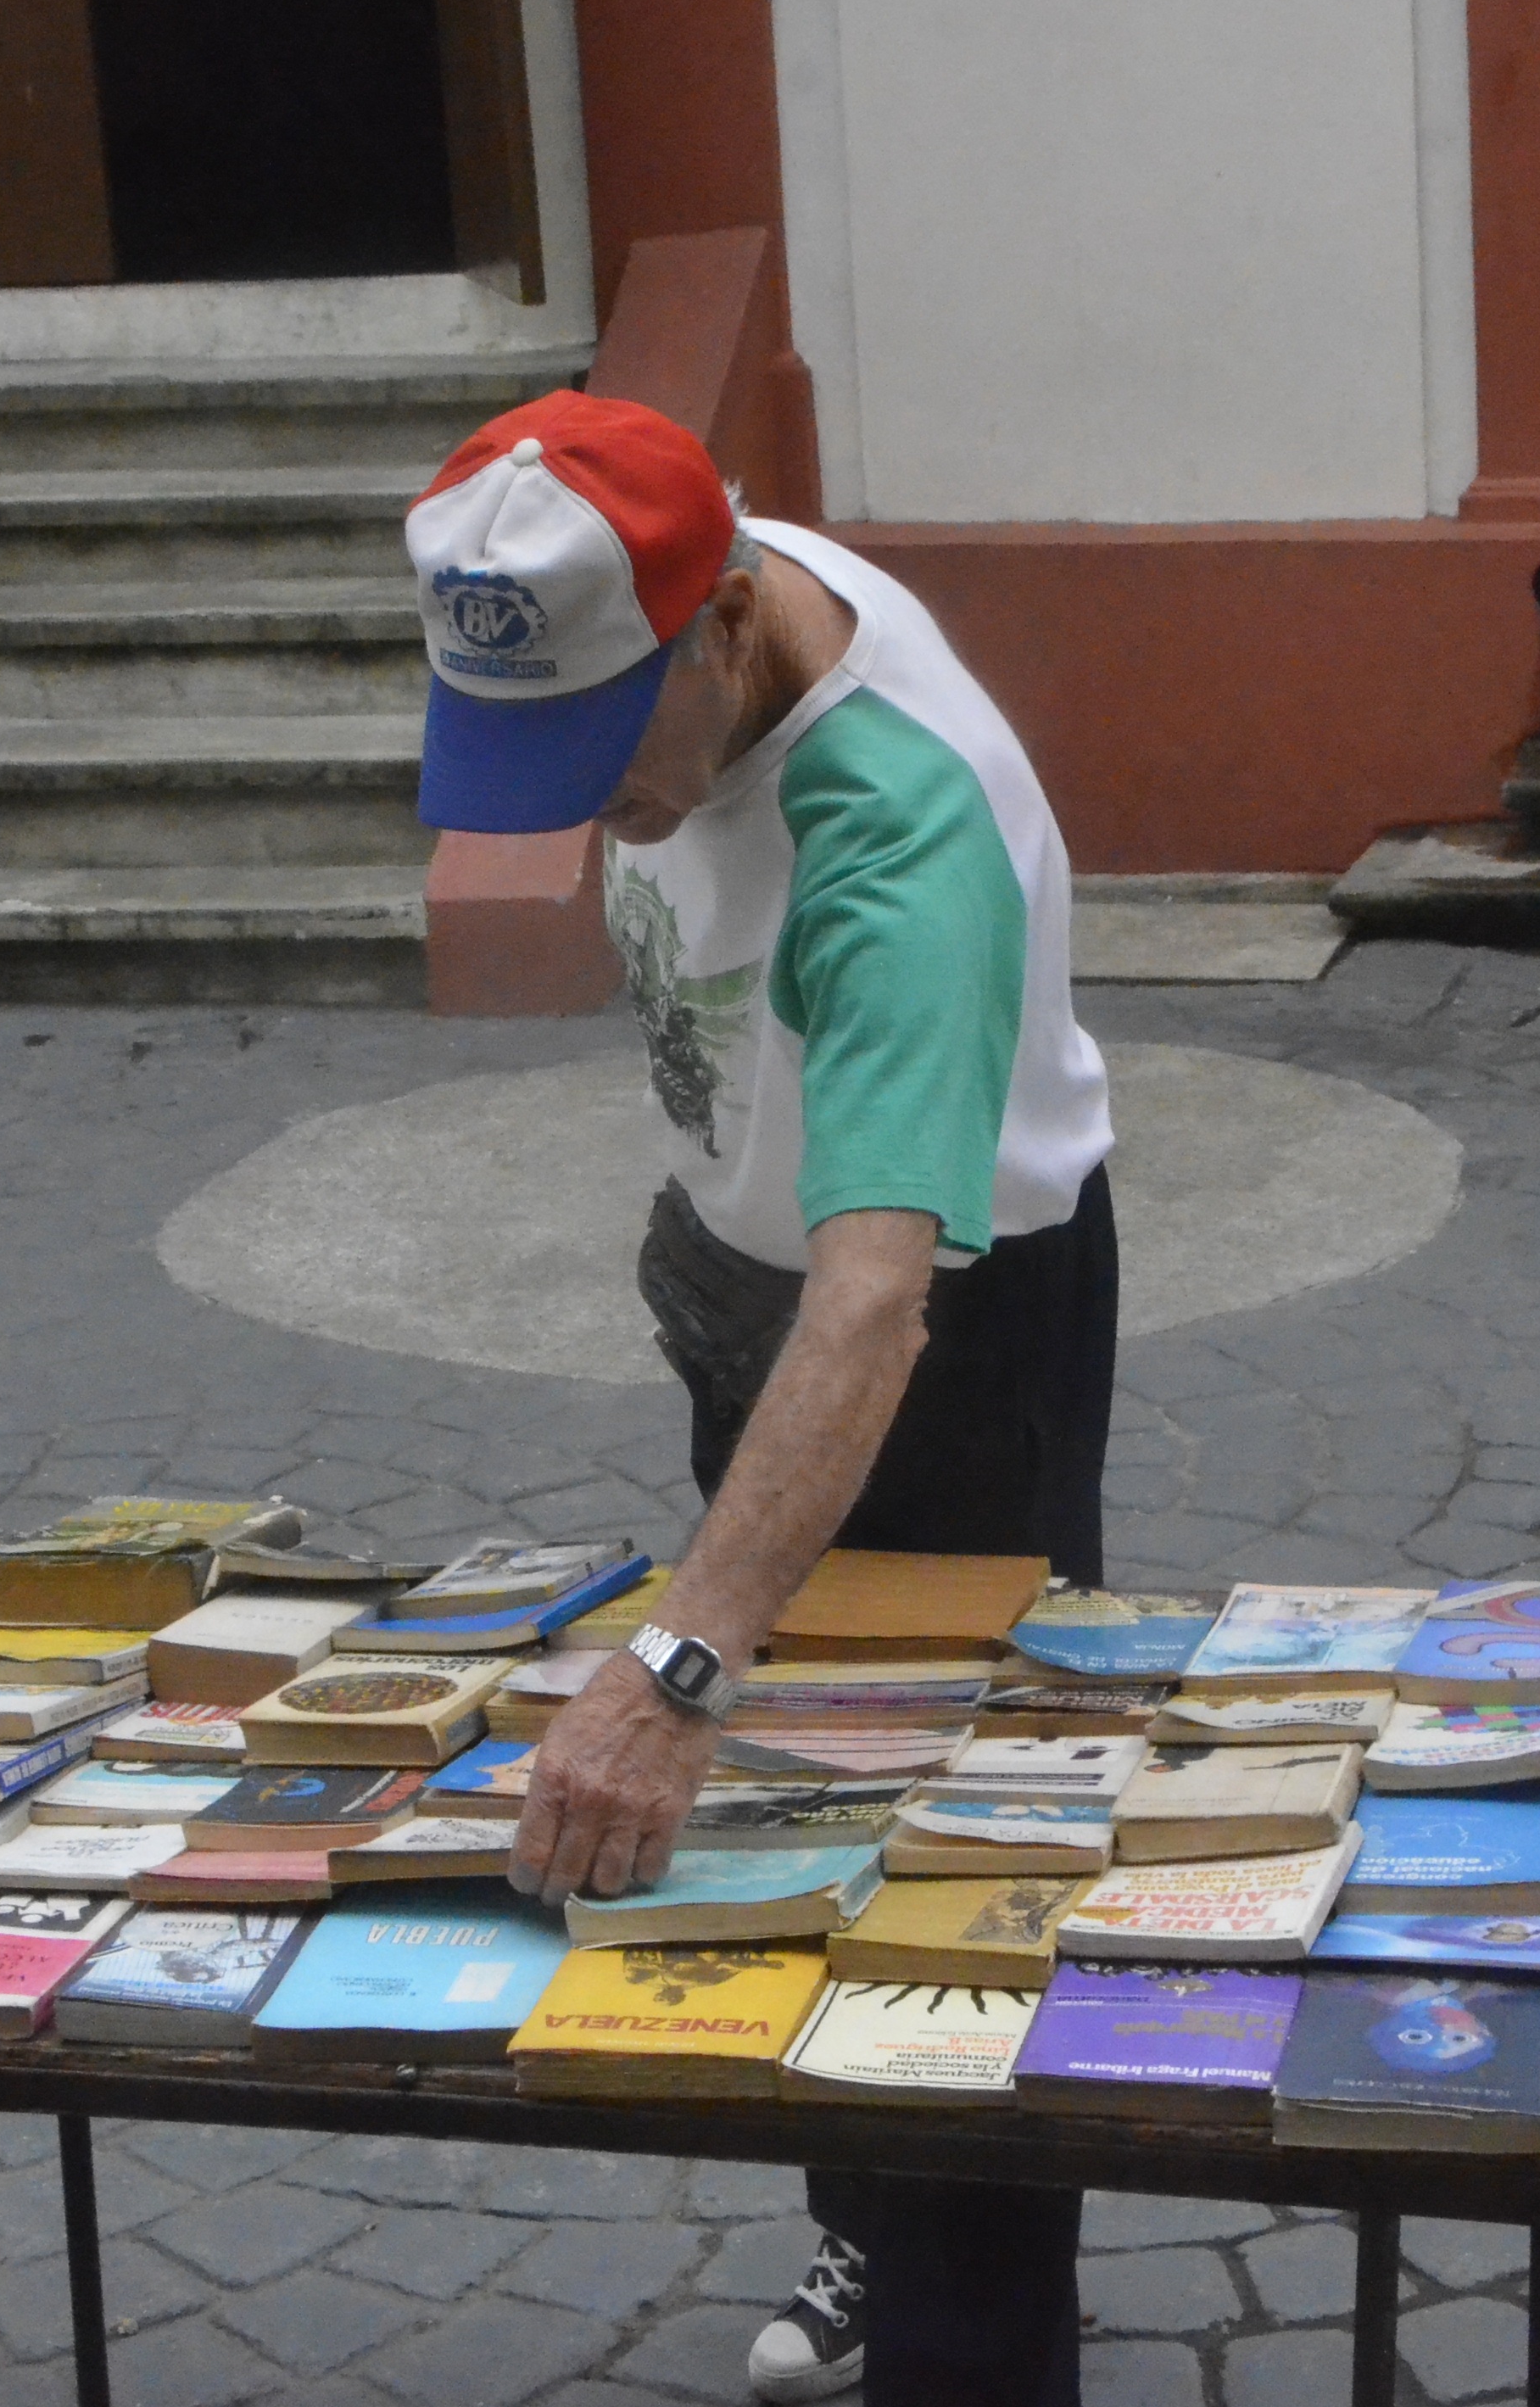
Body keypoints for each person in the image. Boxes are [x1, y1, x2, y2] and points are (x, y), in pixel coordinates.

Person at [403, 391, 1116, 2407]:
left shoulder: (897, 845)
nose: (564, 807)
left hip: (945, 1333)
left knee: (947, 1854)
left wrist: (673, 1665)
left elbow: (880, 1310)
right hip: (760, 1271)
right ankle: (865, 2231)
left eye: (595, 753)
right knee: (781, 1802)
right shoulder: (648, 552)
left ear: (719, 634)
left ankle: (970, 2337)